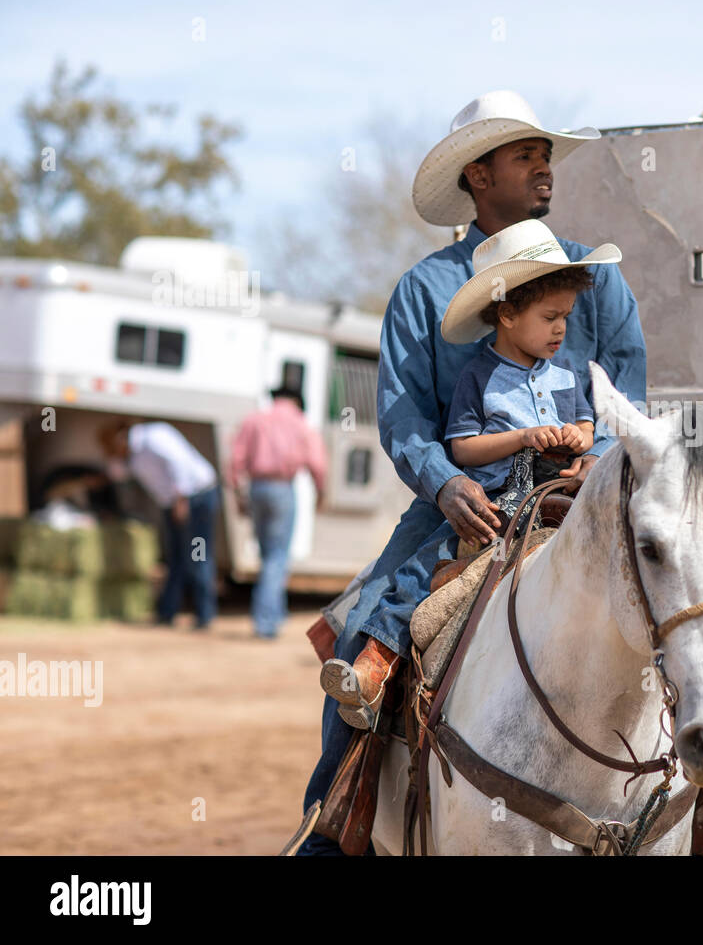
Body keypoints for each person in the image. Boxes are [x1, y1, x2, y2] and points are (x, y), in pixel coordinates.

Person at [297, 90, 646, 854]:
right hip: (462, 501)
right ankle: (337, 818)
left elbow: (629, 396)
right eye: (525, 155)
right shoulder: (425, 290)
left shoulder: (596, 278)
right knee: (364, 629)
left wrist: (595, 457)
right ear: (479, 177)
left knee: (686, 614)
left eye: (544, 153)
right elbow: (404, 421)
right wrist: (448, 485)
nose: (544, 165)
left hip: (583, 495)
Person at [320, 220, 613, 729]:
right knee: (419, 567)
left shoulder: (565, 375)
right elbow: (462, 447)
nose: (561, 329)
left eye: (565, 316)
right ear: (507, 313)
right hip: (494, 497)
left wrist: (578, 440)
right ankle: (376, 661)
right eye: (550, 317)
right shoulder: (478, 375)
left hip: (559, 495)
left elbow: (588, 426)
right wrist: (523, 437)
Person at [226, 384, 328, 639]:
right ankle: (265, 622)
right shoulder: (301, 423)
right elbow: (317, 463)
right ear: (296, 400)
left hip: (257, 487)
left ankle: (276, 611)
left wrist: (238, 493)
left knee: (267, 553)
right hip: (282, 489)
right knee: (277, 556)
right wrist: (321, 492)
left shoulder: (254, 420)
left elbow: (235, 459)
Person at [97, 419, 220, 629]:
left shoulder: (155, 437)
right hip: (173, 502)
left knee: (197, 555)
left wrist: (182, 500)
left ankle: (204, 614)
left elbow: (179, 463)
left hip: (195, 497)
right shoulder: (131, 457)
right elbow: (117, 473)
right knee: (175, 557)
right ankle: (167, 612)